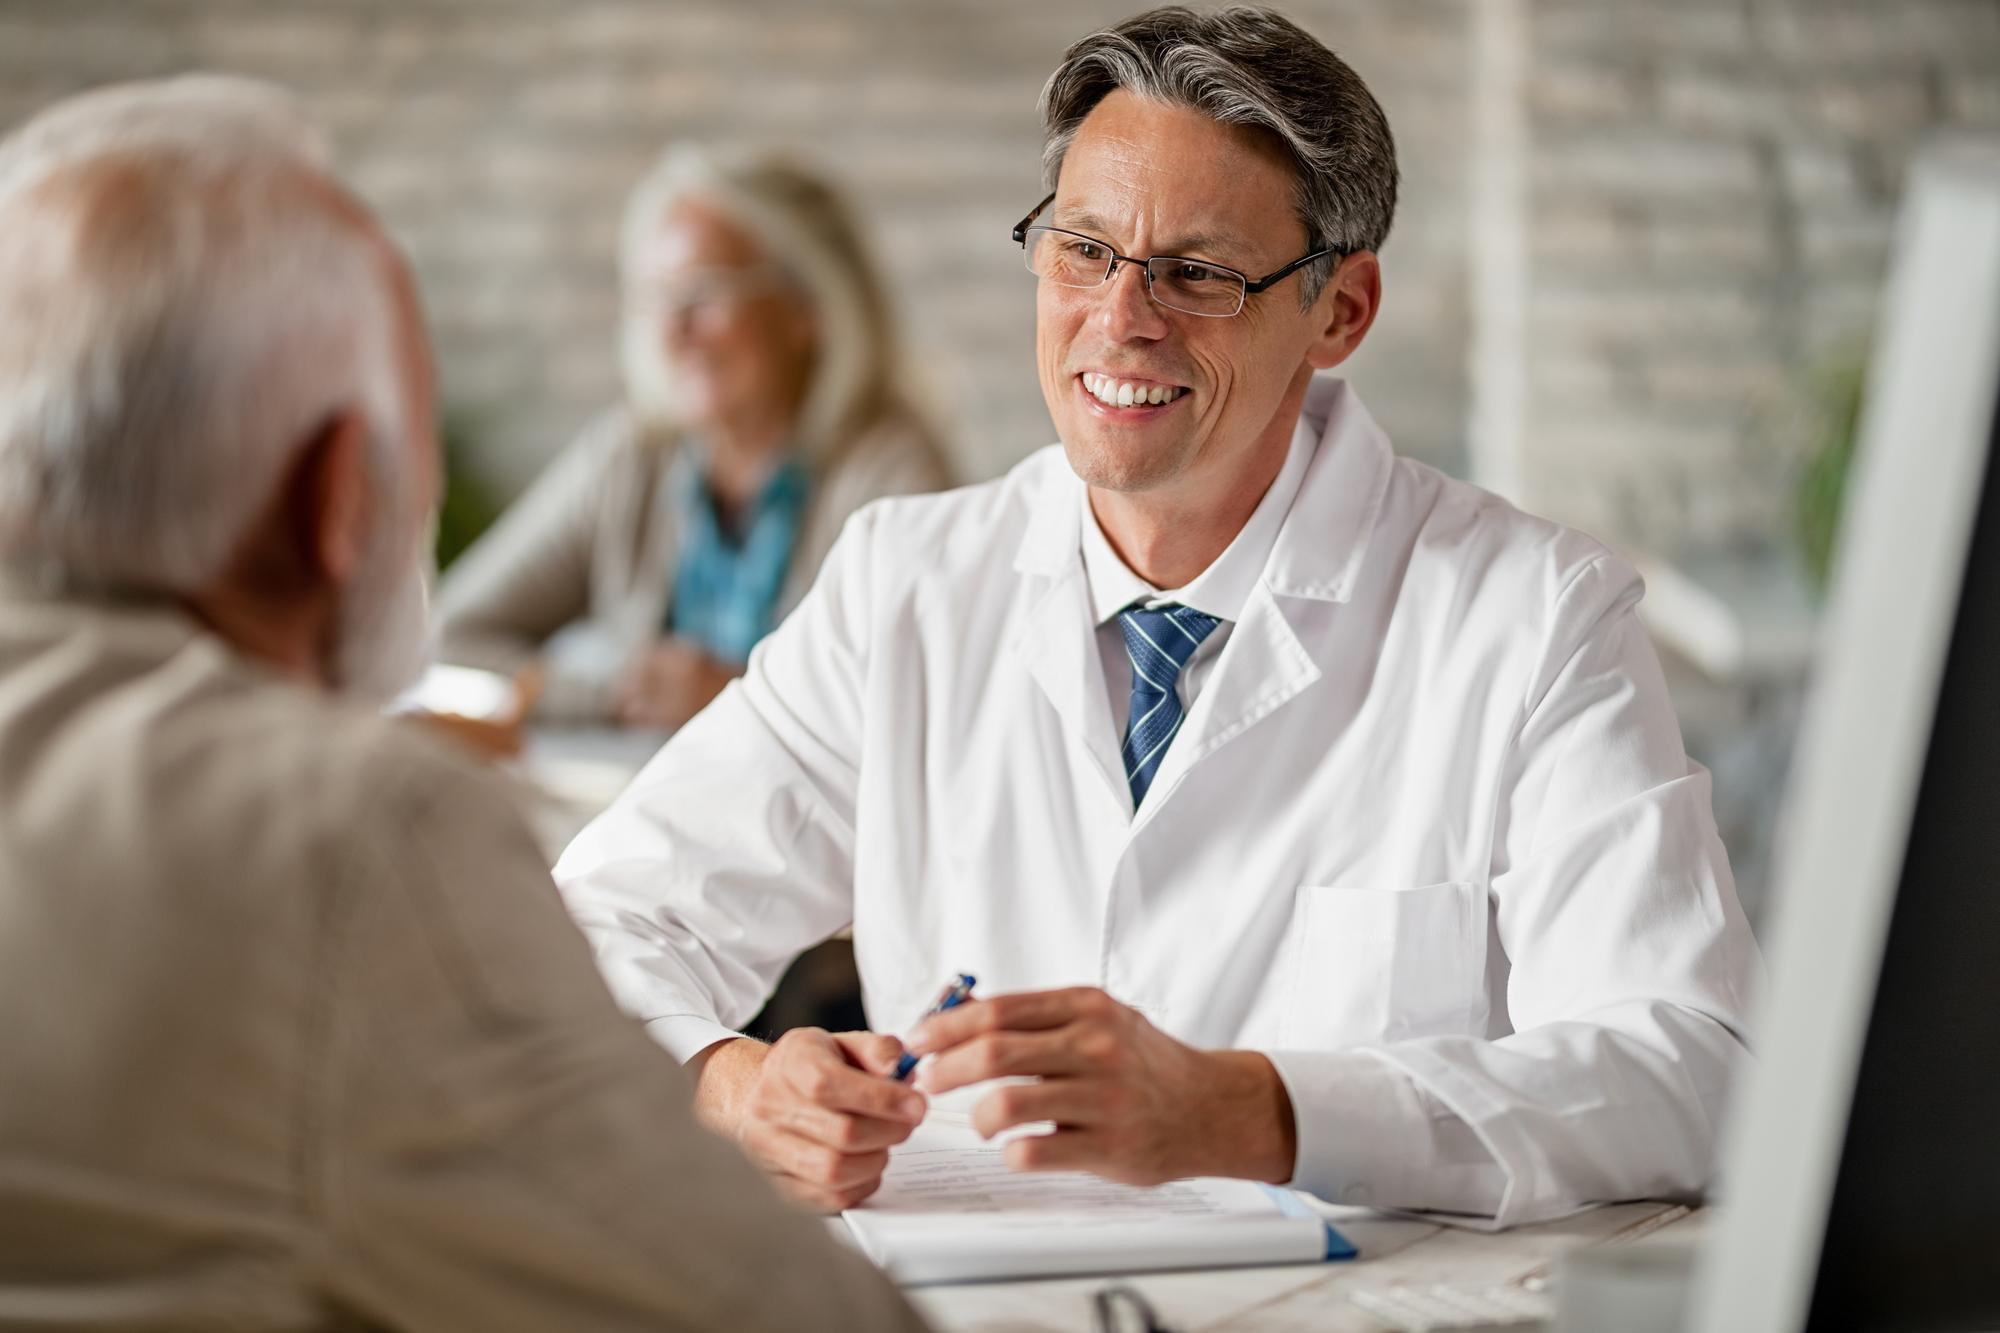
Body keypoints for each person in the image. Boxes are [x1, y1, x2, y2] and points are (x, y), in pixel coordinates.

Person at [554, 4, 1760, 1229]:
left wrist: (1251, 1110)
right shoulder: (903, 586)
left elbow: (1694, 1071)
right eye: (1082, 250)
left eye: (1195, 272)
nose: (1121, 318)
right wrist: (733, 1088)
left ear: (1339, 310)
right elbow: (589, 923)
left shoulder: (1532, 616)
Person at [0, 76, 927, 1332]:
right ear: (340, 497)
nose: (673, 334)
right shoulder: (358, 843)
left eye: (704, 300)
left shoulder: (887, 485)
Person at [435, 147, 953, 728]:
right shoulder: (632, 458)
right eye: (657, 296)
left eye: (704, 294)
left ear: (807, 308)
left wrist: (739, 694)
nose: (672, 331)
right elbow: (444, 636)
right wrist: (613, 693)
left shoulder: (889, 471)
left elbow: (924, 701)